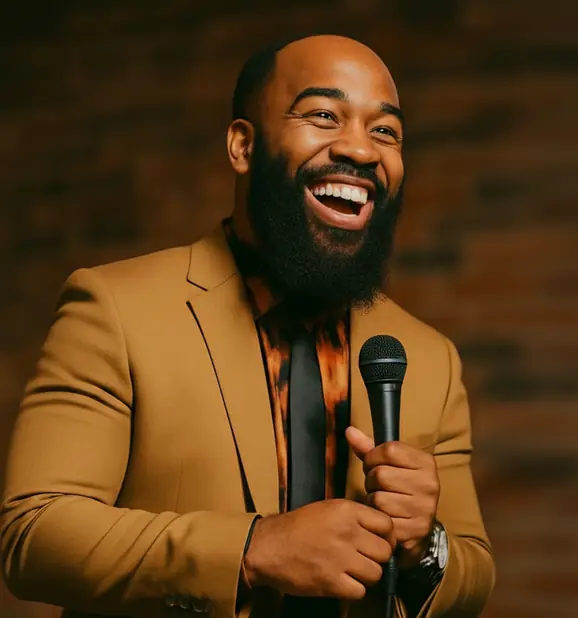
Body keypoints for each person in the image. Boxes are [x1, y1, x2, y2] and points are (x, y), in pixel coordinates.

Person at [0, 35, 494, 618]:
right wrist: (253, 549)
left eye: (385, 130)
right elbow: (34, 534)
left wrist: (425, 547)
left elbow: (473, 572)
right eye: (324, 115)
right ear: (242, 145)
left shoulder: (429, 356)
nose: (361, 150)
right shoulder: (115, 308)